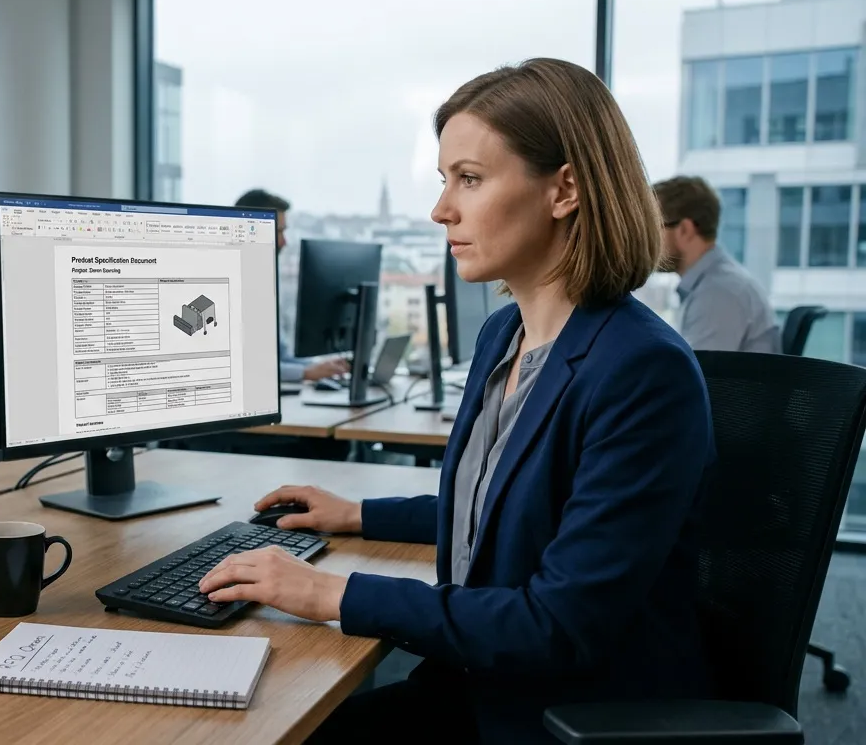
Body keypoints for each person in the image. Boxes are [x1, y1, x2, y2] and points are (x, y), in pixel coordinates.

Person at [200, 58, 715, 744]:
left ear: (565, 189)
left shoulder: (643, 371)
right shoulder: (506, 335)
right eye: (445, 181)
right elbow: (507, 507)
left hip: (556, 718)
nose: (442, 209)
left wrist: (332, 594)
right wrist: (355, 513)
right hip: (470, 685)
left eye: (468, 179)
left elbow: (557, 624)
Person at [653, 175, 780, 353]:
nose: (646, 241)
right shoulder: (713, 285)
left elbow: (699, 378)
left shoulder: (718, 293)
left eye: (652, 228)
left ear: (685, 230)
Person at [233, 188, 348, 383]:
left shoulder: (262, 282)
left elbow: (281, 356)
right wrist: (305, 373)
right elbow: (242, 367)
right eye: (278, 232)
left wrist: (319, 367)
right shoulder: (227, 284)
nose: (284, 242)